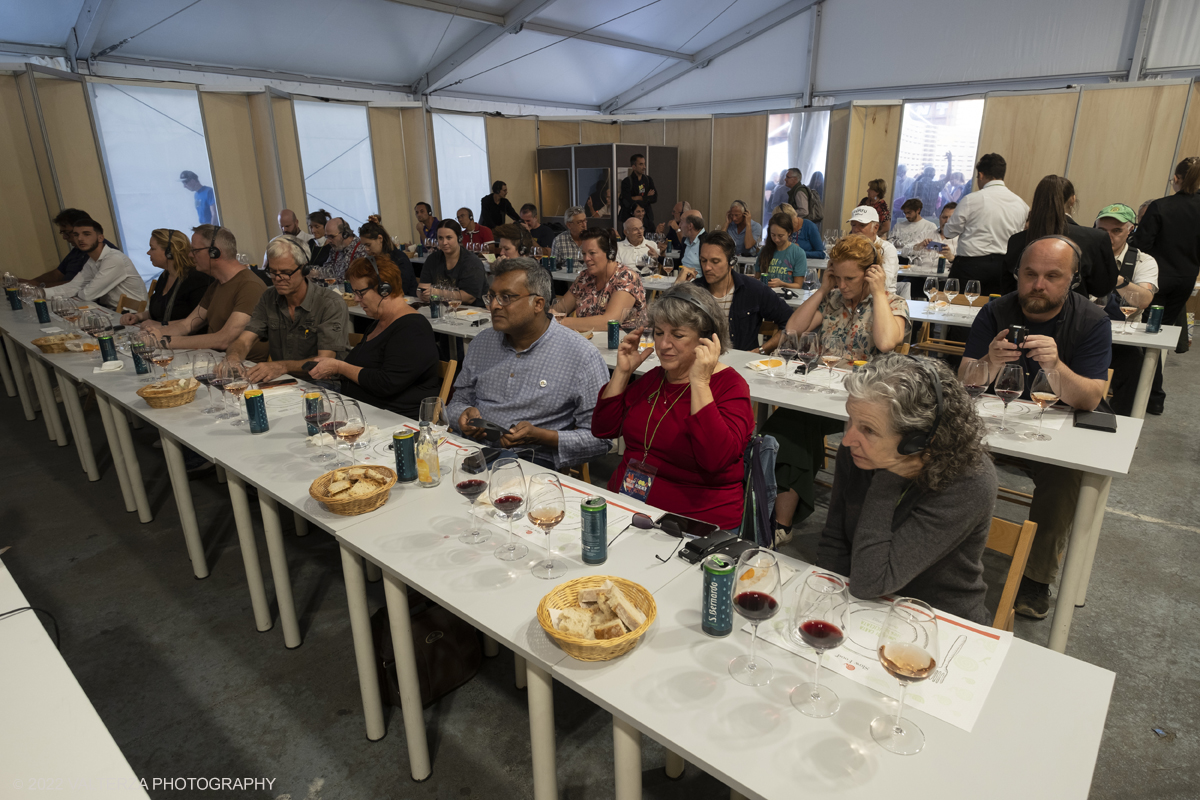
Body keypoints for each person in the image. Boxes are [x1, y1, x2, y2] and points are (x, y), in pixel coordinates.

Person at [958, 236, 1112, 619]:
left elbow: (1092, 397)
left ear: (1072, 280)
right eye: (1030, 274)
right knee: (942, 447)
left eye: (1052, 276)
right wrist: (989, 362)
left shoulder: (1091, 321)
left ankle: (1036, 577)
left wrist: (1056, 368)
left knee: (1066, 474)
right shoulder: (996, 311)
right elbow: (965, 380)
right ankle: (944, 545)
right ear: (1017, 275)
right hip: (997, 424)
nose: (1038, 284)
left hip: (1056, 430)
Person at [817, 355, 997, 625]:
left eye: (868, 429)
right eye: (850, 420)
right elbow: (835, 539)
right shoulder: (859, 452)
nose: (847, 440)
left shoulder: (970, 480)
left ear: (918, 441)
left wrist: (887, 478)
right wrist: (827, 602)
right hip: (861, 606)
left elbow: (871, 581)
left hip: (937, 618)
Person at [765, 235, 911, 542]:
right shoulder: (833, 301)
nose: (843, 285)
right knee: (790, 421)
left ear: (871, 273)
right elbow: (792, 331)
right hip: (825, 393)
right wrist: (822, 289)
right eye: (838, 277)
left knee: (800, 423)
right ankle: (782, 521)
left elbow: (885, 342)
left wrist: (877, 291)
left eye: (850, 279)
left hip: (868, 402)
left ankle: (785, 520)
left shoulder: (893, 304)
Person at [592, 284, 754, 531]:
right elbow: (603, 429)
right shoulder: (655, 378)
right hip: (628, 508)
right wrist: (622, 373)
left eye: (677, 335)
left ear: (708, 340)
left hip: (695, 524)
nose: (664, 345)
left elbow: (715, 459)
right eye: (658, 333)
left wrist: (699, 381)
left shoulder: (730, 386)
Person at [450, 258, 611, 469]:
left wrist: (543, 437)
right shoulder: (482, 342)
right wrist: (462, 415)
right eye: (491, 296)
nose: (494, 305)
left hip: (533, 464)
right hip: (473, 453)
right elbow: (456, 403)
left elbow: (600, 439)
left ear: (538, 304)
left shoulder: (581, 356)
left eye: (506, 297)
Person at [307, 255, 441, 416]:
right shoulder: (380, 322)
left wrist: (339, 367)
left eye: (360, 293)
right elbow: (365, 367)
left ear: (384, 289)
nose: (356, 299)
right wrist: (334, 369)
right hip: (366, 412)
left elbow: (387, 383)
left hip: (395, 420)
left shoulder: (413, 328)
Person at [226, 235, 350, 383]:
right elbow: (244, 341)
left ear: (305, 269)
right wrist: (233, 357)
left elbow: (324, 361)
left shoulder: (329, 303)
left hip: (323, 385)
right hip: (285, 381)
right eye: (272, 272)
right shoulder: (269, 298)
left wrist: (281, 366)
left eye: (285, 272)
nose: (278, 279)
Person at [1131, 156, 1200, 415]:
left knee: (1148, 336)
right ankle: (1154, 395)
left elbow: (1141, 245)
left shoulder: (1161, 206)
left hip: (1157, 279)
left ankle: (1153, 395)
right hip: (1186, 280)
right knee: (1160, 335)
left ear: (1176, 179)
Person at [145, 225, 269, 358]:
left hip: (244, 367)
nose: (190, 255)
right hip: (216, 360)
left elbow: (224, 340)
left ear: (215, 252)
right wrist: (153, 334)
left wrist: (164, 341)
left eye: (195, 250)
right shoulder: (217, 284)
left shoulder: (250, 286)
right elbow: (187, 325)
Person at [1000, 175, 1116, 298]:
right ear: (1072, 200)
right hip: (1073, 314)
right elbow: (1102, 289)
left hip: (1023, 312)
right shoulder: (1096, 239)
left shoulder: (1016, 240)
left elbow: (1007, 289)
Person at [1094, 203, 1158, 416]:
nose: (1108, 236)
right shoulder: (1080, 255)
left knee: (1134, 364)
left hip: (1121, 342)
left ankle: (1122, 421)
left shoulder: (1144, 261)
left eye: (1116, 231)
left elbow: (1144, 300)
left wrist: (1115, 277)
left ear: (1131, 231)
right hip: (1084, 334)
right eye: (1102, 231)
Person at [684, 230, 793, 353]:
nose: (707, 267)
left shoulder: (753, 289)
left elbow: (791, 322)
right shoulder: (694, 291)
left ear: (732, 262)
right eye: (703, 260)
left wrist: (762, 350)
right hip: (701, 361)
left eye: (715, 261)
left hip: (742, 364)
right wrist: (679, 285)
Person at [942, 153, 1029, 297]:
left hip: (970, 267)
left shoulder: (971, 200)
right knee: (995, 314)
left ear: (981, 175)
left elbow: (949, 233)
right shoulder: (1021, 205)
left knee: (957, 309)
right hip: (1003, 269)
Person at [552, 228, 645, 332]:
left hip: (621, 345)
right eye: (584, 253)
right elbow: (559, 309)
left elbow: (609, 323)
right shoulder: (585, 277)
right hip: (587, 343)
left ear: (610, 253)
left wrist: (560, 322)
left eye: (592, 253)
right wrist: (548, 316)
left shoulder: (626, 278)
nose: (586, 258)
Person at [43, 218, 145, 310]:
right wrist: (41, 293)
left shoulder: (114, 259)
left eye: (86, 234)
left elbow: (88, 295)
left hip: (133, 315)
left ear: (100, 238)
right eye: (76, 235)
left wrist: (78, 291)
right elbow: (73, 286)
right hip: (112, 311)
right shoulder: (92, 260)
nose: (80, 239)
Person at [119, 229, 213, 326]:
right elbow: (160, 311)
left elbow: (199, 321)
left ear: (169, 252)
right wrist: (138, 317)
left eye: (152, 248)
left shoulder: (196, 279)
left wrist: (161, 325)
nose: (148, 252)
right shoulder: (165, 276)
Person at [419, 220, 488, 308]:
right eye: (440, 238)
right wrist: (422, 294)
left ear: (459, 238)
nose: (444, 243)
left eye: (449, 238)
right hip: (442, 309)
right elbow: (423, 288)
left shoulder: (472, 262)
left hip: (471, 312)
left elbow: (469, 297)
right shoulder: (432, 259)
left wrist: (437, 293)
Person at [27, 209, 102, 287]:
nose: (64, 237)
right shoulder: (77, 250)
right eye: (62, 233)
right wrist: (29, 283)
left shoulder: (101, 251)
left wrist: (39, 286)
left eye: (67, 233)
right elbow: (57, 274)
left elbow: (82, 284)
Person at [358, 220, 417, 298]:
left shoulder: (400, 259)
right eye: (364, 246)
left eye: (368, 245)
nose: (366, 249)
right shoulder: (372, 260)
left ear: (380, 238)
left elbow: (400, 289)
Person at [848, 206, 900, 291]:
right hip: (853, 296)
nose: (856, 229)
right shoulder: (848, 247)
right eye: (853, 225)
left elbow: (884, 284)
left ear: (875, 227)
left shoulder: (887, 249)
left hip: (883, 298)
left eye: (862, 225)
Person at [756, 212, 808, 290]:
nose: (776, 239)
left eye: (780, 236)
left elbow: (798, 285)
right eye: (773, 235)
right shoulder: (764, 251)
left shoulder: (798, 253)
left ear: (789, 233)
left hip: (788, 296)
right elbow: (757, 278)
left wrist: (782, 284)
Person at [891, 199, 939, 268]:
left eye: (909, 213)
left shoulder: (930, 226)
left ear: (918, 210)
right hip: (898, 258)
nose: (906, 216)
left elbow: (933, 247)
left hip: (918, 261)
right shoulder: (898, 226)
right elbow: (891, 242)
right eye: (905, 213)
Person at [618, 153, 657, 229]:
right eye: (641, 164)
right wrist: (646, 198)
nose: (644, 167)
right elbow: (627, 201)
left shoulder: (648, 180)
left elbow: (654, 198)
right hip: (629, 218)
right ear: (634, 167)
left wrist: (638, 198)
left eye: (644, 164)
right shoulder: (626, 182)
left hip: (646, 218)